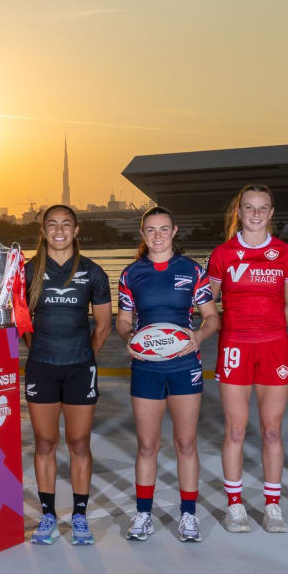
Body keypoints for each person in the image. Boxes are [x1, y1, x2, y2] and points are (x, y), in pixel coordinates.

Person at [116, 206, 219, 542]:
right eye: (150, 230)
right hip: (146, 367)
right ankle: (144, 513)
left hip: (183, 366)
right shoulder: (131, 274)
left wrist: (198, 337)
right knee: (147, 445)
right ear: (142, 234)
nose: (157, 236)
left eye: (163, 229)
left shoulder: (192, 270)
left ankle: (188, 516)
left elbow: (212, 317)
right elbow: (123, 321)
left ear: (174, 232)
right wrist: (129, 338)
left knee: (185, 443)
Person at [207, 185, 288, 533]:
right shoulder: (222, 254)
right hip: (234, 347)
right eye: (249, 207)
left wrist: (266, 330)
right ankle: (235, 506)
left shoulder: (286, 254)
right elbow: (207, 301)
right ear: (240, 211)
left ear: (272, 212)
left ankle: (272, 505)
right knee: (234, 429)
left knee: (272, 430)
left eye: (263, 208)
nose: (256, 214)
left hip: (274, 346)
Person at [22, 205, 112, 545]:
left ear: (76, 230)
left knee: (78, 443)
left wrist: (82, 357)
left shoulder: (93, 272)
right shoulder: (29, 271)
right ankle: (46, 516)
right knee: (45, 442)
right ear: (43, 231)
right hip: (41, 368)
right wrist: (43, 351)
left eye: (66, 224)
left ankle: (79, 516)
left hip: (79, 369)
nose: (59, 230)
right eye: (52, 225)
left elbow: (103, 326)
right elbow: (23, 324)